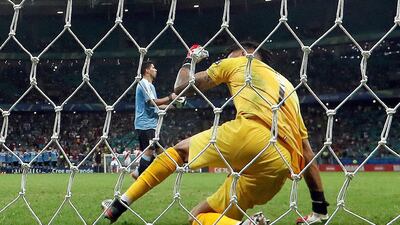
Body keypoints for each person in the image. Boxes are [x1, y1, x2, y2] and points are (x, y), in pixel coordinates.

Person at [102, 42, 328, 225]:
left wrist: (190, 58)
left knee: (179, 151)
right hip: (279, 164)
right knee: (198, 217)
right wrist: (319, 208)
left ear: (243, 52)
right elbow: (307, 152)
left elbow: (182, 86)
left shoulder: (240, 61)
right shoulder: (290, 88)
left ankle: (120, 204)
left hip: (250, 134)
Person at [131, 60, 177, 179]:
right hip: (145, 124)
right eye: (153, 67)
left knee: (157, 150)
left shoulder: (150, 85)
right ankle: (141, 174)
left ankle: (138, 172)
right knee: (153, 150)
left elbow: (155, 105)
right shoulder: (144, 83)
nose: (156, 70)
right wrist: (170, 97)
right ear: (147, 70)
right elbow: (152, 103)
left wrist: (173, 105)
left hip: (151, 124)